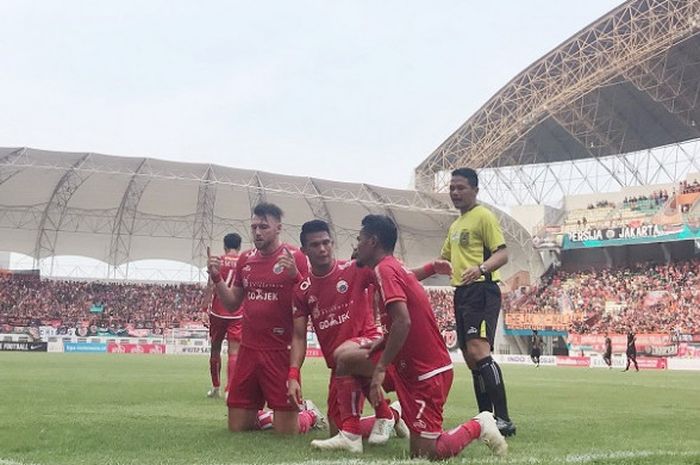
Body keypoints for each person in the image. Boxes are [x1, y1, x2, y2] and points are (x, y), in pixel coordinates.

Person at [323, 215, 507, 459]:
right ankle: (352, 435)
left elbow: (403, 320)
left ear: (373, 242)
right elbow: (400, 320)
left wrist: (380, 368)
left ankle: (480, 423)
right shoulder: (391, 266)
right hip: (406, 366)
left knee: (426, 454)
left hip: (425, 373)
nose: (356, 245)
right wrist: (383, 341)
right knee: (345, 358)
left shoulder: (385, 270)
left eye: (360, 239)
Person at [291, 220, 451, 452]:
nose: (322, 249)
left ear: (333, 243)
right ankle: (392, 414)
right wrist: (293, 374)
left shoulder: (357, 268)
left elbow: (402, 277)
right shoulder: (302, 289)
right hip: (344, 363)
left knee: (344, 356)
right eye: (315, 245)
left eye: (326, 242)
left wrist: (430, 269)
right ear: (304, 250)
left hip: (370, 346)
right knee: (336, 428)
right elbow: (297, 336)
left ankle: (378, 419)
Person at [207, 202, 324, 434]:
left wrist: (296, 276)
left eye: (264, 226)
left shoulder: (296, 257)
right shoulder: (245, 260)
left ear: (278, 228)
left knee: (286, 434)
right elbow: (232, 304)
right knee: (238, 428)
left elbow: (312, 298)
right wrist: (217, 278)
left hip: (280, 351)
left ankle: (309, 414)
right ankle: (267, 414)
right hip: (249, 351)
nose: (258, 232)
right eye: (254, 227)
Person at [441, 168, 515, 436]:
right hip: (461, 292)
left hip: (482, 289)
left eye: (461, 188)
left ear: (475, 190)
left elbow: (503, 253)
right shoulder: (455, 225)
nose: (455, 193)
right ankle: (486, 418)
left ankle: (504, 419)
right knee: (470, 357)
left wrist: (481, 268)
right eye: (452, 188)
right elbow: (446, 258)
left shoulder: (483, 216)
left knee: (479, 350)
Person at [201, 233, 244, 398]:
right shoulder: (244, 261)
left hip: (218, 311)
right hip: (237, 313)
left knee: (215, 349)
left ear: (225, 246)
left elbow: (211, 286)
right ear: (239, 246)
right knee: (234, 351)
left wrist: (204, 309)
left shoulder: (216, 260)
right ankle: (230, 390)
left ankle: (216, 387)